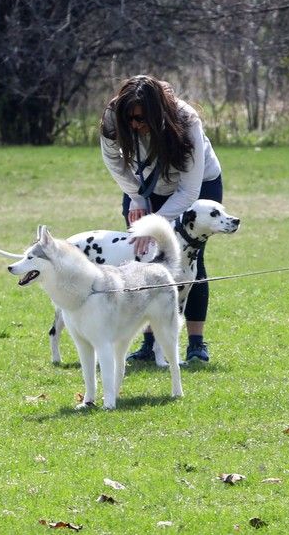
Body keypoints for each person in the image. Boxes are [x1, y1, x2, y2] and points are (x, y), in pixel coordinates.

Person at [100, 74, 223, 363]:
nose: (134, 125)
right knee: (144, 261)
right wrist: (138, 199)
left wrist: (153, 223)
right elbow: (116, 165)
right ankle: (149, 345)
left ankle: (195, 343)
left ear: (157, 114)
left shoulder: (186, 119)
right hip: (142, 186)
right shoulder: (111, 118)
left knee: (188, 260)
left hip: (198, 185)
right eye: (128, 119)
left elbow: (189, 189)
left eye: (141, 119)